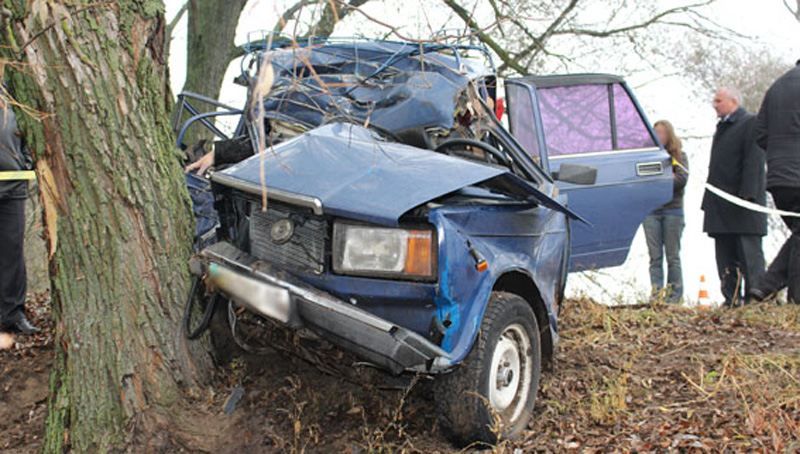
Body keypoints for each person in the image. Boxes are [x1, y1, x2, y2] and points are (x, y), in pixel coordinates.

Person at [701, 87, 767, 307]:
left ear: (733, 101)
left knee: (749, 255)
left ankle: (755, 300)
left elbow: (754, 160)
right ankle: (731, 299)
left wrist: (748, 196)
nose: (714, 104)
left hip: (742, 204)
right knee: (725, 255)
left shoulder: (750, 123)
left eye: (718, 100)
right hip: (720, 205)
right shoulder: (722, 128)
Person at [750, 60, 800, 304]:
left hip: (779, 177)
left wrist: (779, 156)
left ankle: (765, 286)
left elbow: (760, 134)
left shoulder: (777, 86)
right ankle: (792, 298)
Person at [0, 99, 39, 334]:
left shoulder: (13, 94)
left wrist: (24, 164)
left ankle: (13, 314)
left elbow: (31, 135)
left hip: (13, 188)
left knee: (12, 254)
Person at [643, 120, 688, 303]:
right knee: (655, 257)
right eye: (656, 132)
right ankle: (657, 295)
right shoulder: (647, 156)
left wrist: (661, 179)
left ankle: (674, 296)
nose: (659, 136)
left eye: (662, 132)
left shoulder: (679, 156)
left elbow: (681, 179)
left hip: (672, 211)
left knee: (672, 256)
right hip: (651, 211)